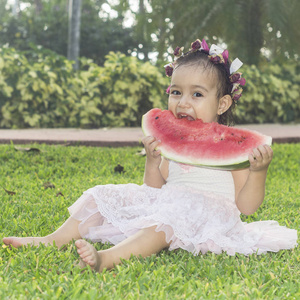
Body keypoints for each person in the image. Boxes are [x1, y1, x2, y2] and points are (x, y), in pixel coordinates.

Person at [3, 38, 297, 272]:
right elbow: (154, 190)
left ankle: (108, 258)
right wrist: (153, 161)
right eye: (175, 92)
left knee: (165, 221)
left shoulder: (233, 151)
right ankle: (51, 239)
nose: (183, 102)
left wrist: (258, 173)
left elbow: (246, 207)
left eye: (197, 95)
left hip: (210, 218)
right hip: (166, 204)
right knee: (101, 194)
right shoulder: (170, 143)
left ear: (222, 103)